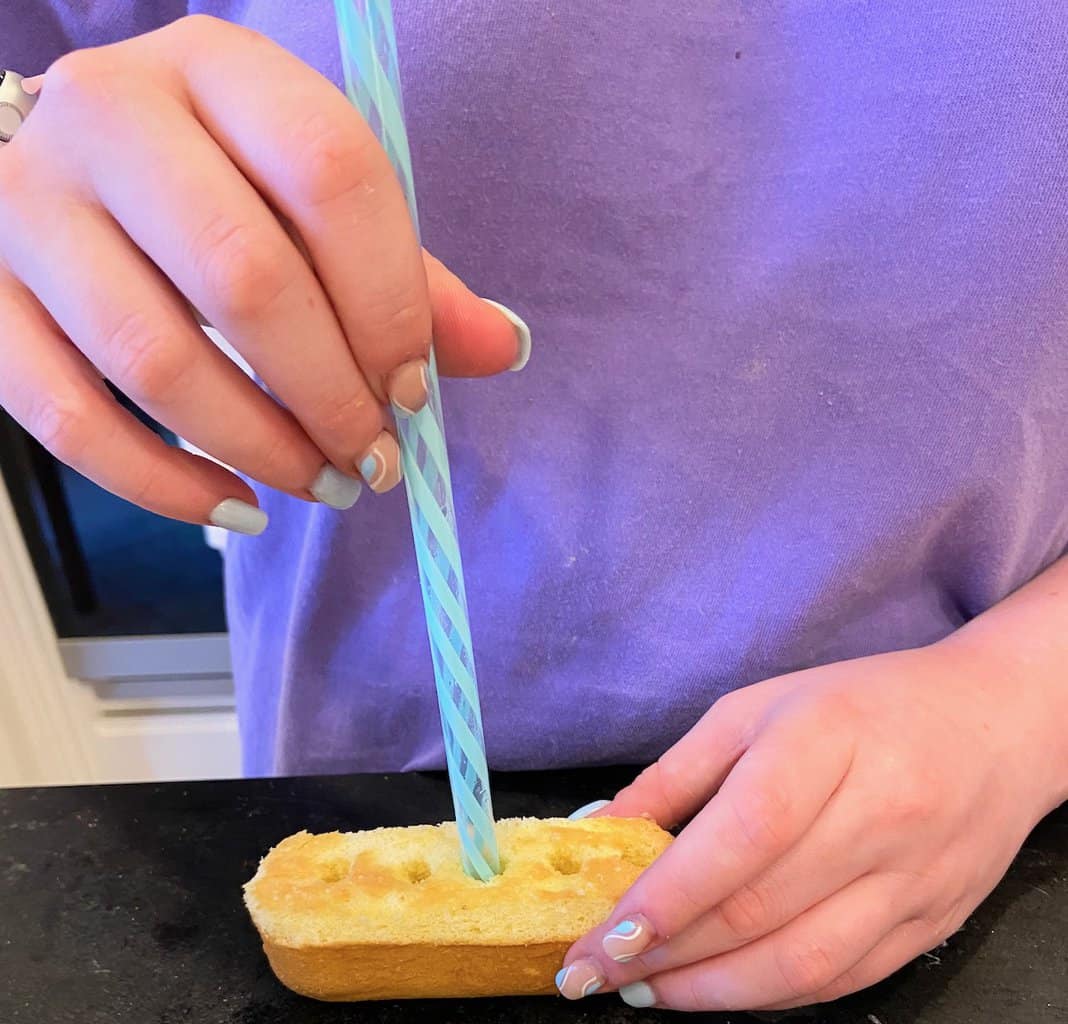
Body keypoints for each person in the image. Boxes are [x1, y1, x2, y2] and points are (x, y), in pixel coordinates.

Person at [1, 2, 1066, 1012]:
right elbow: (29, 105)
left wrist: (1017, 707)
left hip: (984, 835)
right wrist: (20, 134)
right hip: (352, 767)